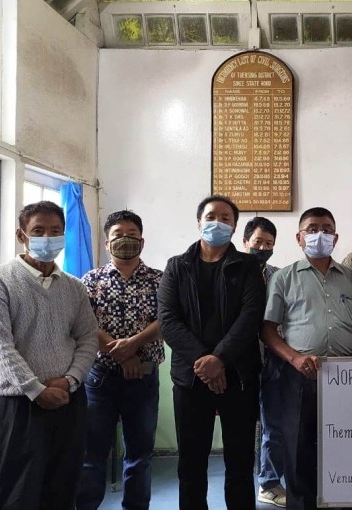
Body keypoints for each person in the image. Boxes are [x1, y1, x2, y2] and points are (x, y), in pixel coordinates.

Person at [0, 201, 98, 509]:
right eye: (38, 231)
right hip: (21, 405)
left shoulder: (74, 287)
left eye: (55, 231)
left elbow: (87, 338)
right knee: (19, 493)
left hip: (69, 402)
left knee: (63, 488)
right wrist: (36, 389)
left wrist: (70, 381)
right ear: (22, 235)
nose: (47, 238)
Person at [261, 207, 352, 510]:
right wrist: (293, 358)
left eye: (326, 229)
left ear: (336, 237)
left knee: (347, 446)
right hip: (299, 374)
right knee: (298, 449)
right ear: (299, 237)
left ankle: (343, 502)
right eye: (312, 228)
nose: (320, 234)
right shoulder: (284, 278)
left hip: (346, 378)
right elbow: (268, 330)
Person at [158, 195, 265, 509]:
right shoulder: (177, 266)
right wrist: (205, 364)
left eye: (226, 218)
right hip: (191, 379)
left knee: (240, 463)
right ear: (199, 222)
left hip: (240, 377)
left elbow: (250, 318)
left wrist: (219, 360)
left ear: (233, 227)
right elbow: (168, 319)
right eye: (210, 215)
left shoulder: (248, 266)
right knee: (191, 464)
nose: (217, 222)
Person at [77, 210, 164, 510]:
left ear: (142, 240)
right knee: (92, 455)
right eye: (118, 235)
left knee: (139, 456)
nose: (125, 240)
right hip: (99, 378)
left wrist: (134, 346)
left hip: (144, 376)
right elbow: (84, 322)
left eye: (131, 234)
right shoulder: (90, 280)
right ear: (106, 243)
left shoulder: (160, 280)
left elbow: (167, 320)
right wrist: (119, 351)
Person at [242, 216, 287, 508]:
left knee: (274, 425)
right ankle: (242, 481)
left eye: (269, 243)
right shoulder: (230, 273)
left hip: (273, 360)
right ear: (245, 241)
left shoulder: (279, 275)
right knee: (243, 428)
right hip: (240, 362)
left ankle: (269, 483)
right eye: (258, 242)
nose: (263, 247)